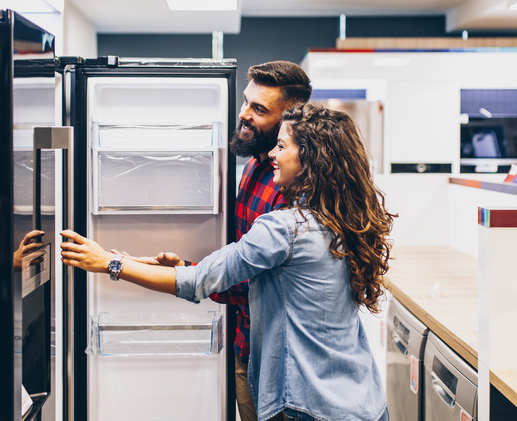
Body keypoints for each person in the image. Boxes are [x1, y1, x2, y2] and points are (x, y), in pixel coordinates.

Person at [61, 104, 395, 420]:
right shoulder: (346, 219)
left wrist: (108, 265)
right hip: (362, 399)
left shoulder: (285, 228)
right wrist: (165, 265)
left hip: (308, 405)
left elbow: (197, 283)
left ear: (309, 158)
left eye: (281, 147)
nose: (273, 156)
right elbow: (245, 277)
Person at [133, 60, 312, 421]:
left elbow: (259, 283)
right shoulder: (252, 168)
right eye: (246, 102)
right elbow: (241, 255)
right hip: (245, 341)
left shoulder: (292, 189)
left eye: (259, 109)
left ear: (289, 120)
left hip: (280, 360)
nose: (244, 114)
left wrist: (190, 275)